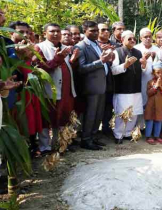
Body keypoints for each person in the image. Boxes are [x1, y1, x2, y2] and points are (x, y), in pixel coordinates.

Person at [33, 23, 77, 154]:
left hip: (66, 91)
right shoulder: (39, 47)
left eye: (58, 31)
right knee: (47, 120)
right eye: (52, 31)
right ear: (44, 33)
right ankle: (45, 147)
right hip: (49, 92)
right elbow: (42, 68)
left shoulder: (65, 47)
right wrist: (58, 58)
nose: (56, 34)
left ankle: (61, 145)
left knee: (64, 119)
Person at [75, 21, 114, 150]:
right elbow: (81, 68)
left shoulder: (97, 44)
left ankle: (93, 137)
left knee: (98, 115)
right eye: (92, 30)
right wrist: (100, 61)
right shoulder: (81, 46)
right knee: (90, 115)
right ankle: (85, 140)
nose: (96, 33)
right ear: (84, 30)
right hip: (91, 87)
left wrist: (108, 59)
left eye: (97, 30)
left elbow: (103, 63)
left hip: (101, 86)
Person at [9, 21, 43, 156]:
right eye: (21, 32)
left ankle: (32, 146)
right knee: (19, 120)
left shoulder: (29, 48)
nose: (25, 35)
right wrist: (18, 55)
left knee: (31, 119)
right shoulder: (7, 49)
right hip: (15, 93)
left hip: (29, 90)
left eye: (27, 32)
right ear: (11, 33)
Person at [111, 30, 147, 144]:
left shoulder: (138, 52)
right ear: (122, 40)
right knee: (121, 114)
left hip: (136, 88)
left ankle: (127, 133)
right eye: (129, 39)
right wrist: (125, 65)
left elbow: (142, 70)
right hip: (122, 89)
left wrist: (144, 65)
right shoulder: (117, 52)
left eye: (133, 39)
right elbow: (113, 70)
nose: (132, 40)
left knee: (134, 113)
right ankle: (118, 135)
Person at [97, 23, 117, 138]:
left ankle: (106, 128)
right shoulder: (94, 45)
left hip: (111, 80)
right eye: (102, 30)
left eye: (107, 30)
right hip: (97, 81)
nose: (105, 32)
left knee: (109, 105)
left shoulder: (114, 45)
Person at [144, 62, 162, 145]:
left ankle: (157, 136)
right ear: (153, 73)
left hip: (160, 105)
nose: (160, 74)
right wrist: (155, 86)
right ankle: (148, 136)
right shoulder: (150, 82)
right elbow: (149, 93)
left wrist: (160, 86)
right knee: (150, 120)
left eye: (161, 72)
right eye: (157, 72)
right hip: (151, 105)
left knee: (159, 120)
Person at [135, 28, 160, 108]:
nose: (148, 38)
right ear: (140, 38)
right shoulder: (136, 49)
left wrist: (154, 58)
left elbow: (160, 66)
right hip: (141, 80)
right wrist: (144, 59)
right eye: (146, 37)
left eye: (150, 36)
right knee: (141, 104)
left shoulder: (158, 50)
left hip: (154, 81)